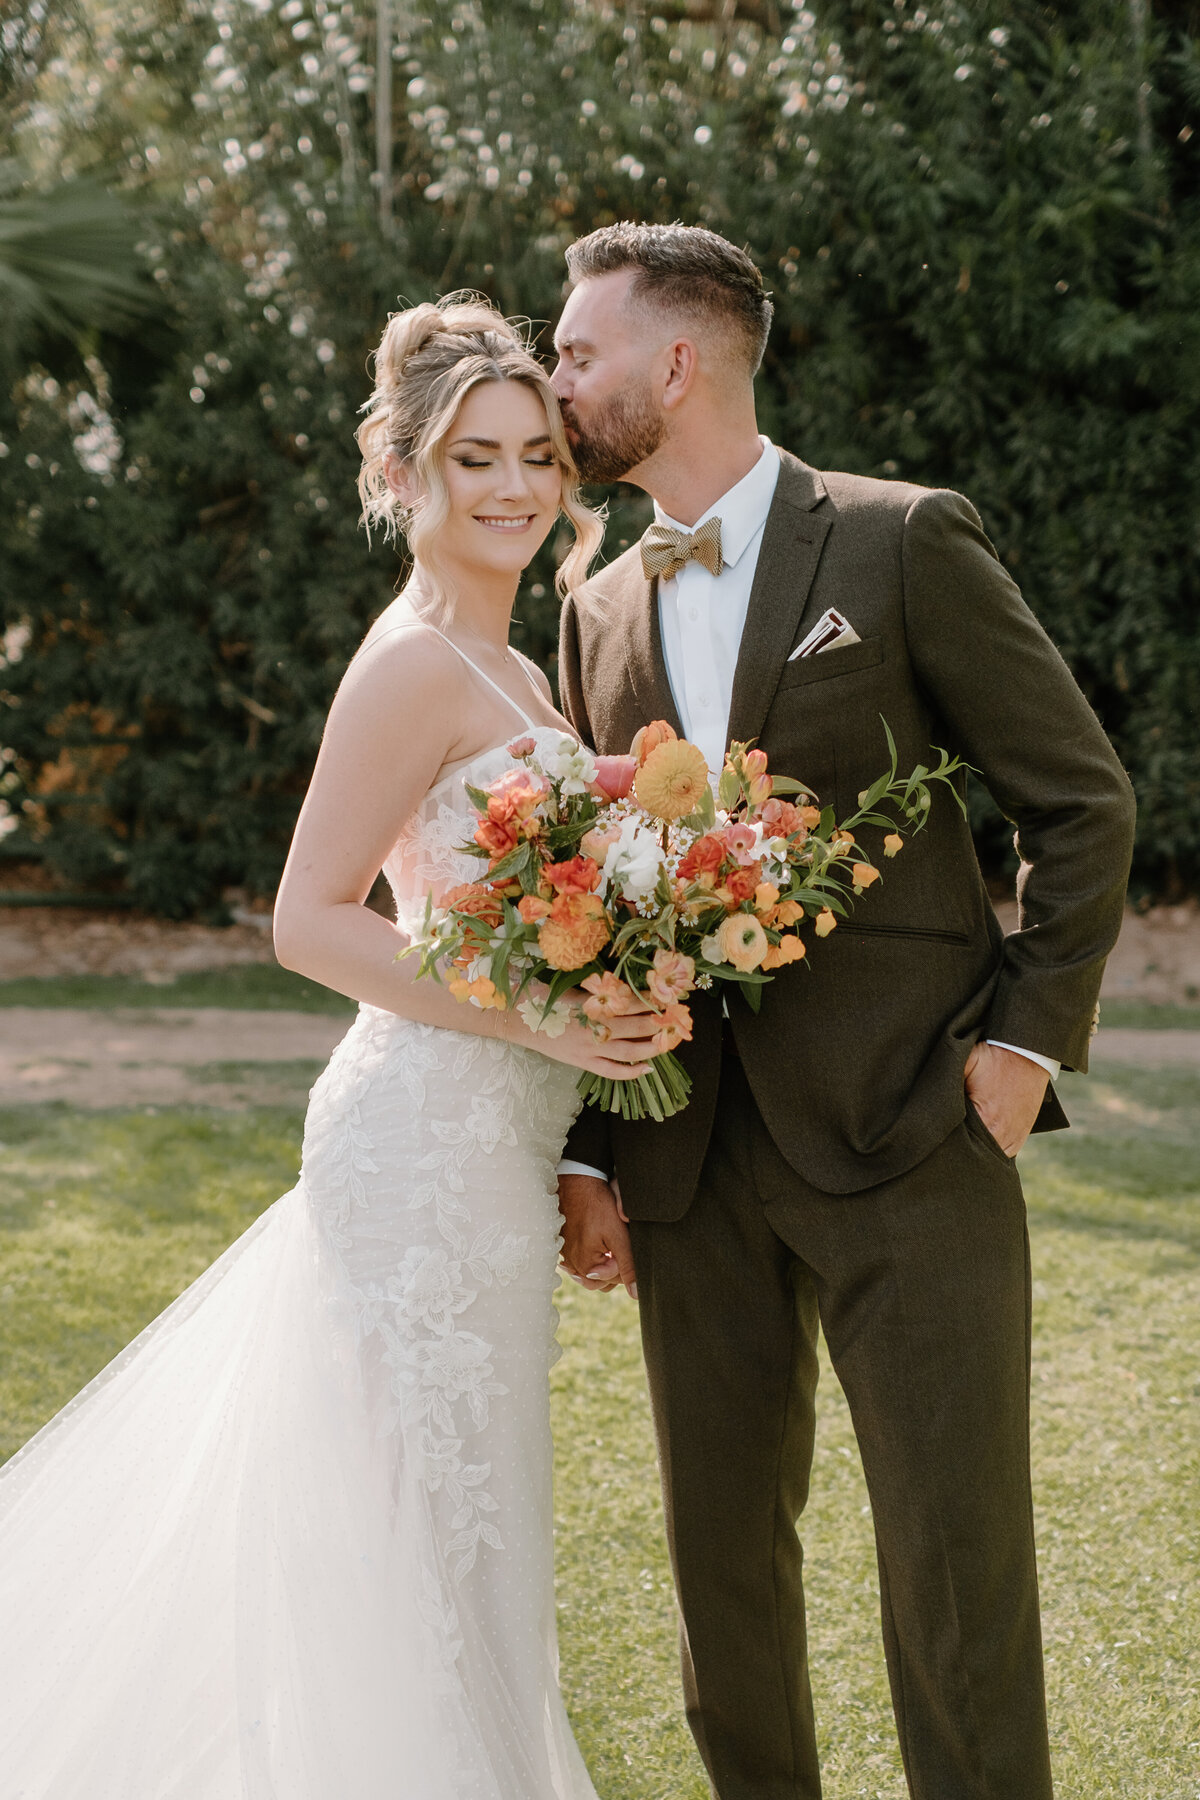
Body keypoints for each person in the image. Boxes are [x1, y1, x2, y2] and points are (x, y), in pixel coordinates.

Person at [0, 293, 664, 1800]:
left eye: (539, 456)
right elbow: (310, 921)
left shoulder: (513, 668)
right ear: (401, 473)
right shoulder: (416, 661)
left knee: (467, 1528)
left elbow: (501, 912)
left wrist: (571, 1097)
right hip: (414, 1153)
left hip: (491, 1156)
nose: (513, 486)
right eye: (472, 456)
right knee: (409, 1541)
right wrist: (545, 1012)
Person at [551, 223, 1137, 1800]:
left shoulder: (894, 541)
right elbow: (600, 893)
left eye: (578, 349)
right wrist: (600, 1144)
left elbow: (1080, 801)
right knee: (719, 1581)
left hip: (913, 1134)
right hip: (689, 1167)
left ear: (676, 365)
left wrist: (1020, 1048)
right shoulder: (596, 607)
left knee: (955, 1569)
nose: (557, 380)